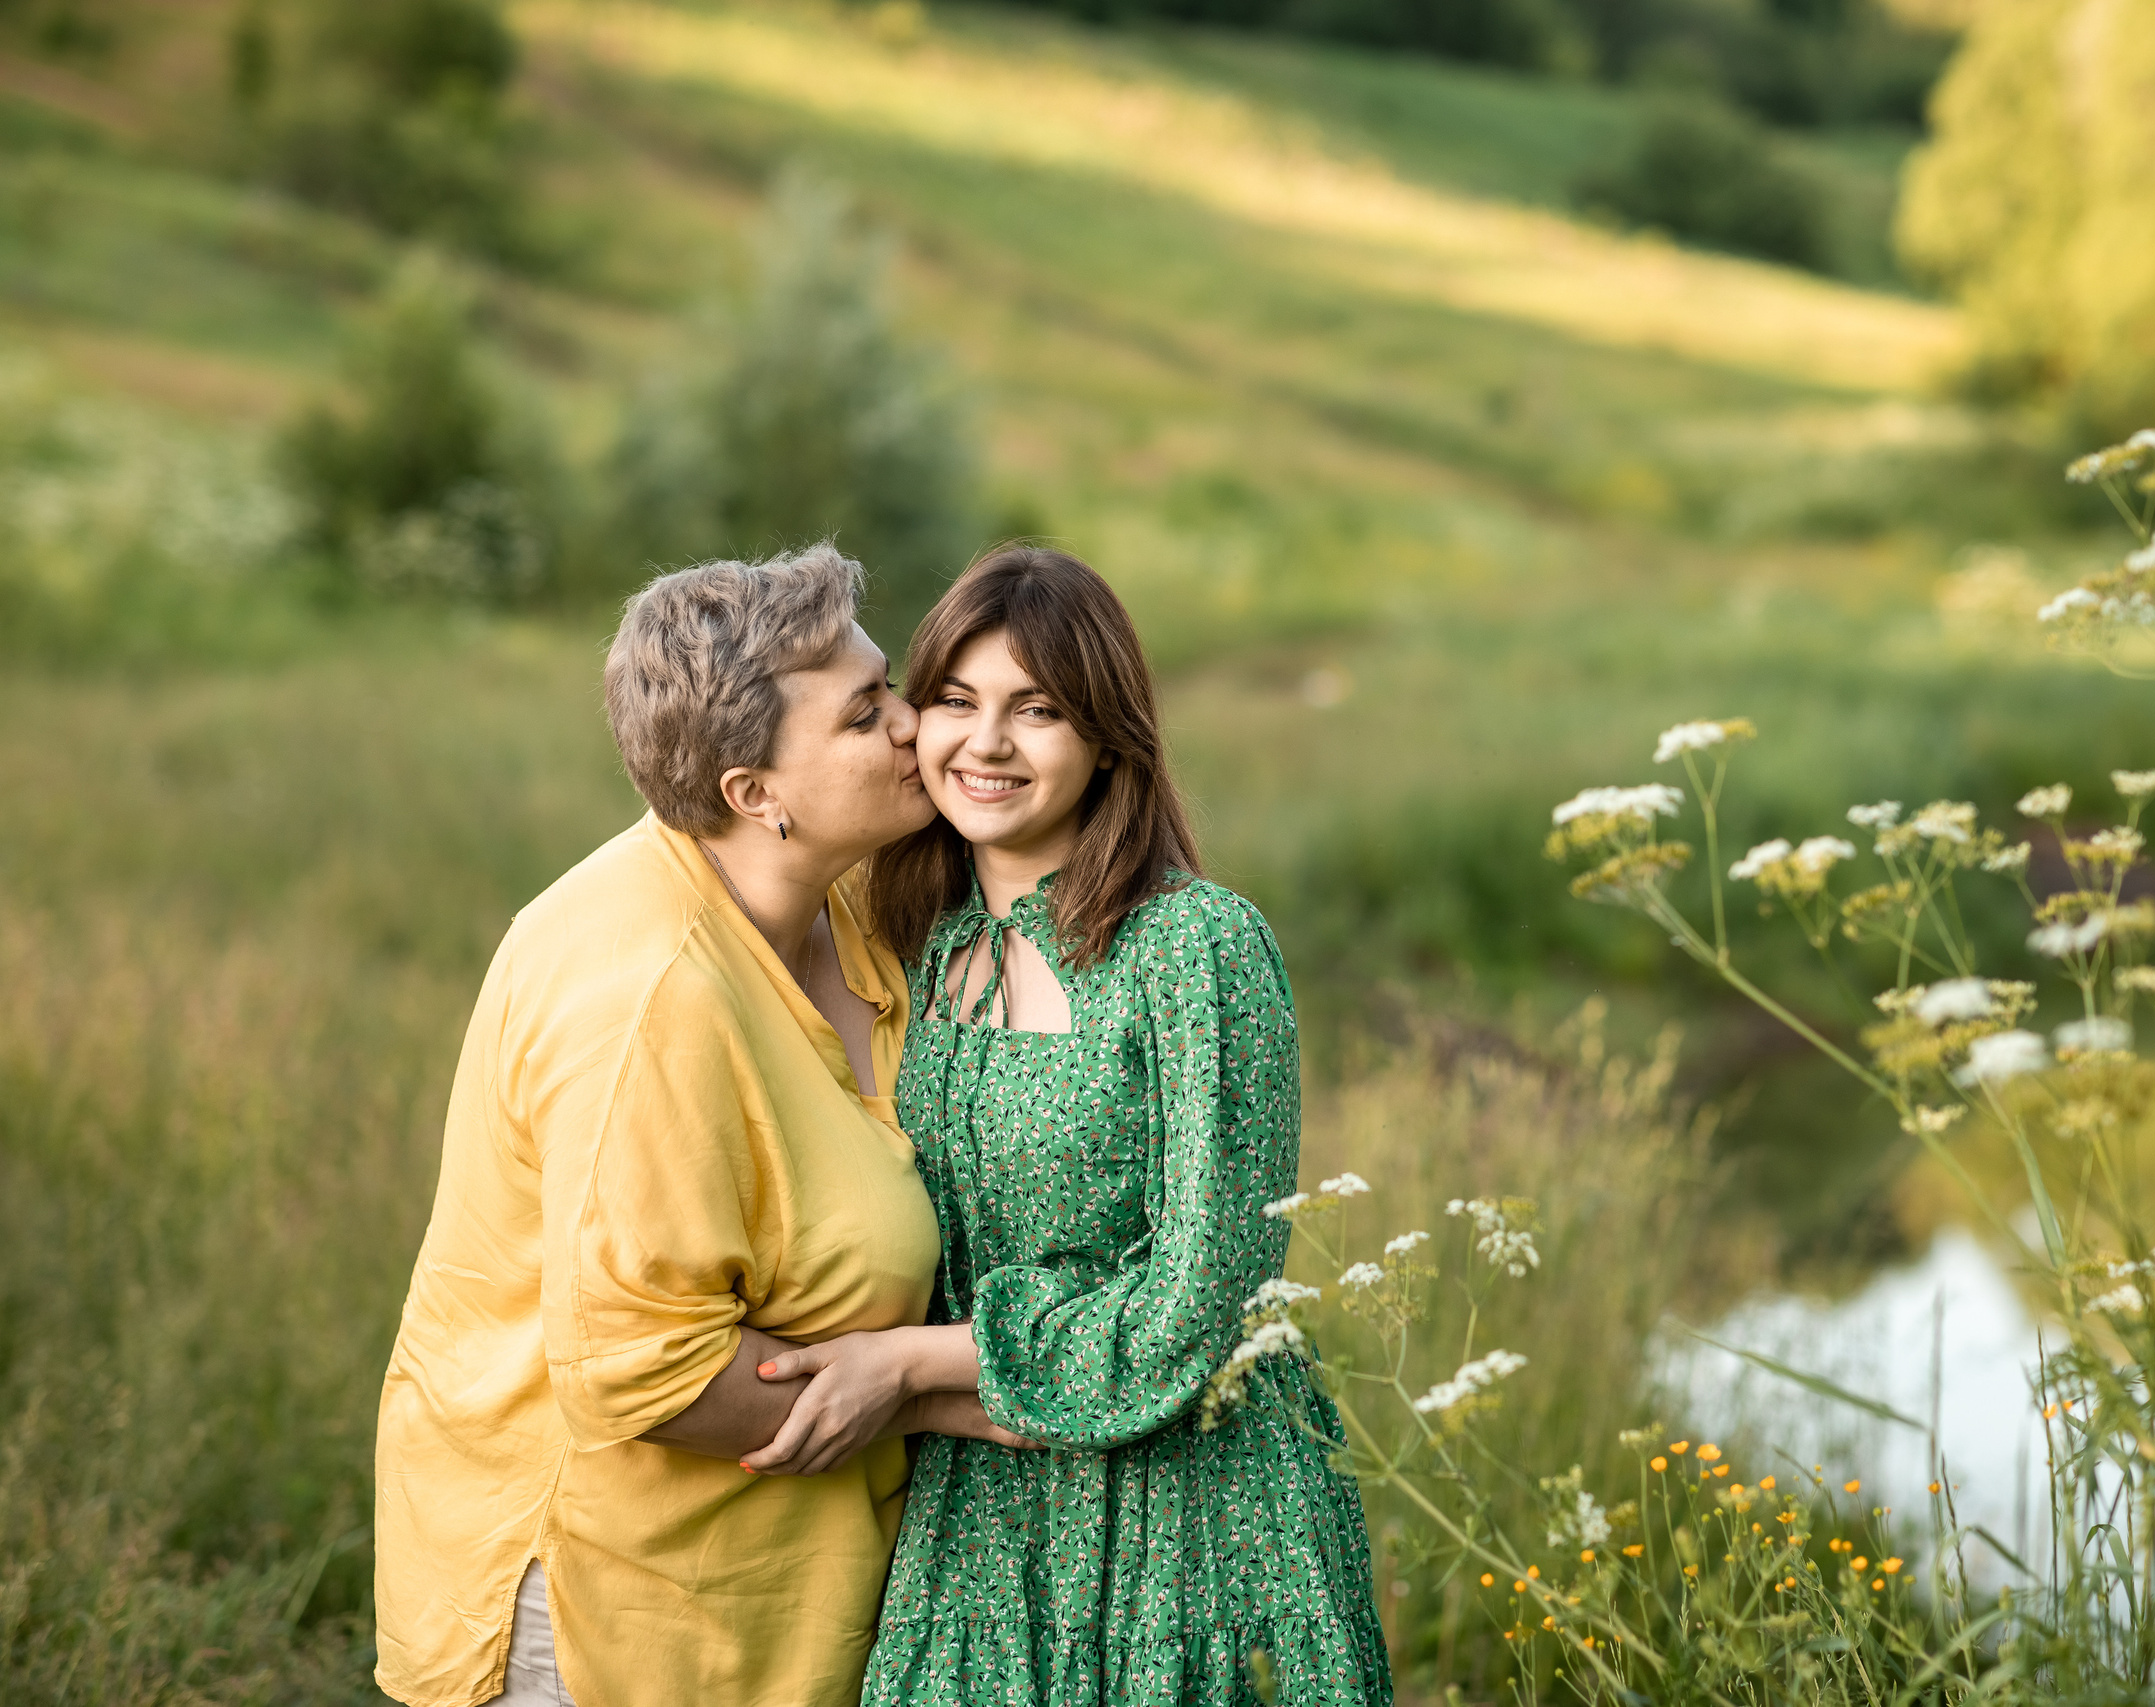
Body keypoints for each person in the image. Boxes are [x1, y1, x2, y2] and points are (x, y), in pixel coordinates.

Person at [374, 544, 1023, 1707]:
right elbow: (645, 1378)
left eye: (891, 687)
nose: (911, 724)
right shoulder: (650, 997)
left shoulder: (838, 905)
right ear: (754, 794)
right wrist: (937, 1393)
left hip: (766, 1587)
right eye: (865, 712)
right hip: (617, 1612)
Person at [753, 545, 1393, 1705]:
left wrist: (904, 1364)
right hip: (978, 1507)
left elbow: (1202, 1298)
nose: (985, 746)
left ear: (1107, 737)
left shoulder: (1193, 948)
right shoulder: (905, 943)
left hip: (1191, 1504)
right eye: (955, 700)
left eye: (1036, 711)